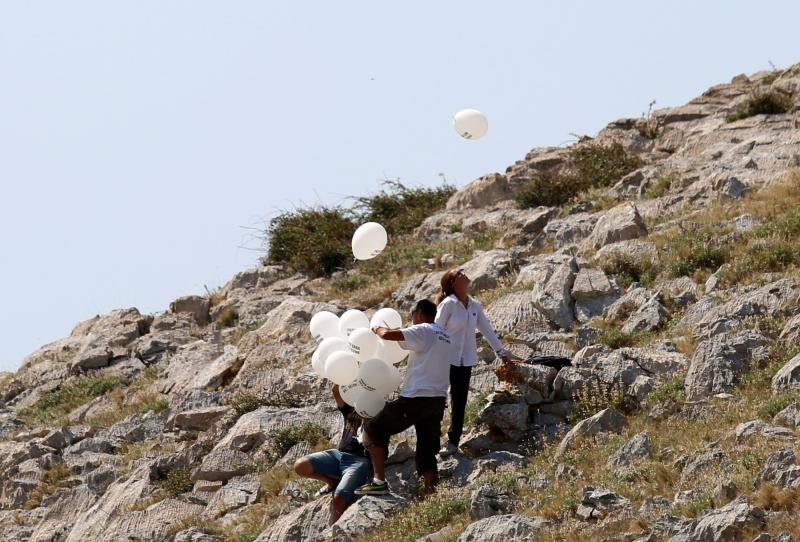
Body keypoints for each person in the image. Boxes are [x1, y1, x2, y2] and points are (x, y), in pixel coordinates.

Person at [355, 299, 452, 495]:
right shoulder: (446, 336)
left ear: (420, 314)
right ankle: (431, 492)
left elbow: (389, 335)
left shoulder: (424, 329)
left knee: (374, 427)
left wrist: (376, 328)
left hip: (417, 397)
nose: (411, 320)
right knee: (427, 451)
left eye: (412, 315)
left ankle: (379, 481)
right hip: (437, 400)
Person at [435, 268, 520, 456]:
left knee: (459, 401)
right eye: (459, 274)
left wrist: (501, 353)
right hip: (444, 358)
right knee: (438, 400)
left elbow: (487, 330)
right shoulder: (448, 304)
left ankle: (452, 441)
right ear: (452, 284)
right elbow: (435, 330)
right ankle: (432, 439)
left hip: (465, 360)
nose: (464, 274)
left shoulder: (474, 306)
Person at [293, 384, 372, 525]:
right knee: (301, 466)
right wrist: (343, 377)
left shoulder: (375, 412)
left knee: (339, 498)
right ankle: (331, 481)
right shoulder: (350, 409)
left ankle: (331, 532)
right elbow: (336, 391)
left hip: (359, 461)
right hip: (338, 455)